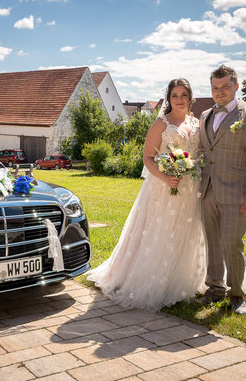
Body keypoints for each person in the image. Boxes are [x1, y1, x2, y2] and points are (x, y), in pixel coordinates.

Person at [87, 78, 207, 312]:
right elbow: (148, 158)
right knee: (160, 232)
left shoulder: (196, 122)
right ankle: (154, 279)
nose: (180, 99)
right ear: (168, 98)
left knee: (184, 231)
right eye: (175, 95)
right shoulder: (161, 123)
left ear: (190, 97)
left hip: (191, 189)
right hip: (163, 188)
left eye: (184, 95)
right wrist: (166, 178)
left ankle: (183, 279)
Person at [197, 65, 246, 315]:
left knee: (231, 243)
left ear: (236, 86)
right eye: (215, 88)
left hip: (237, 194)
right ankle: (214, 288)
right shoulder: (205, 114)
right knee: (213, 243)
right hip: (207, 191)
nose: (220, 92)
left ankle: (236, 295)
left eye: (225, 87)